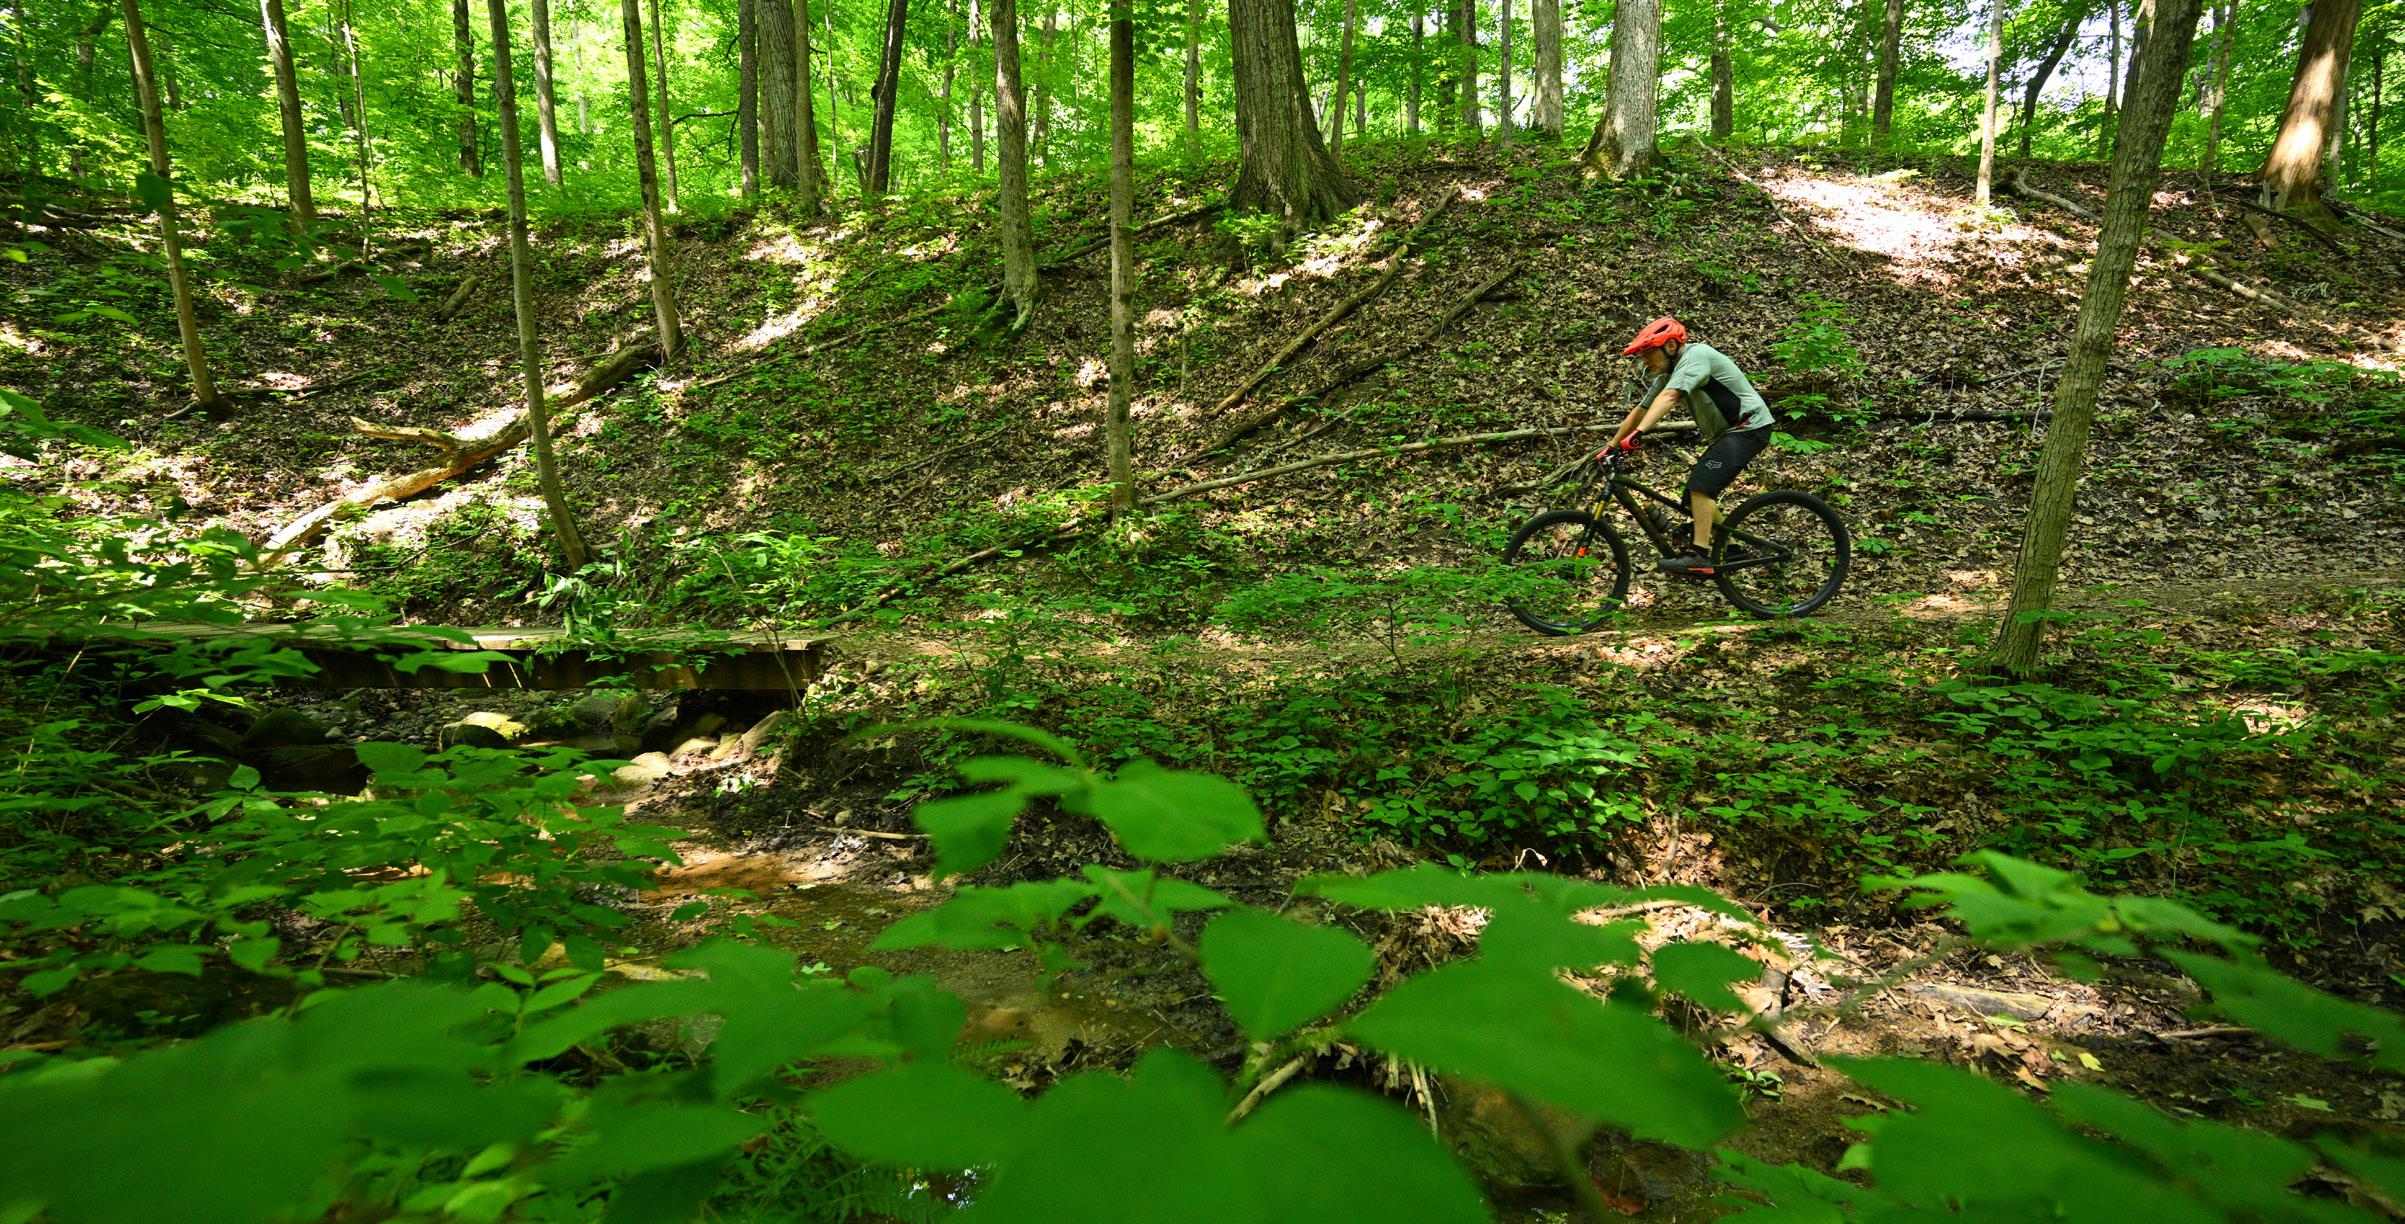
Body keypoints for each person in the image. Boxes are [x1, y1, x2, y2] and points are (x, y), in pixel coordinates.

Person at [1604, 317, 1777, 576]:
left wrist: (1639, 434)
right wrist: (1611, 445)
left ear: (1671, 346)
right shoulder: (1669, 374)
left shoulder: (1697, 355)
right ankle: (1731, 549)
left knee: (1701, 487)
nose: (1645, 360)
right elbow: (1641, 410)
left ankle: (1700, 555)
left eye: (1648, 353)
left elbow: (1670, 397)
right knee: (1692, 497)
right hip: (1729, 434)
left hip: (1749, 427)